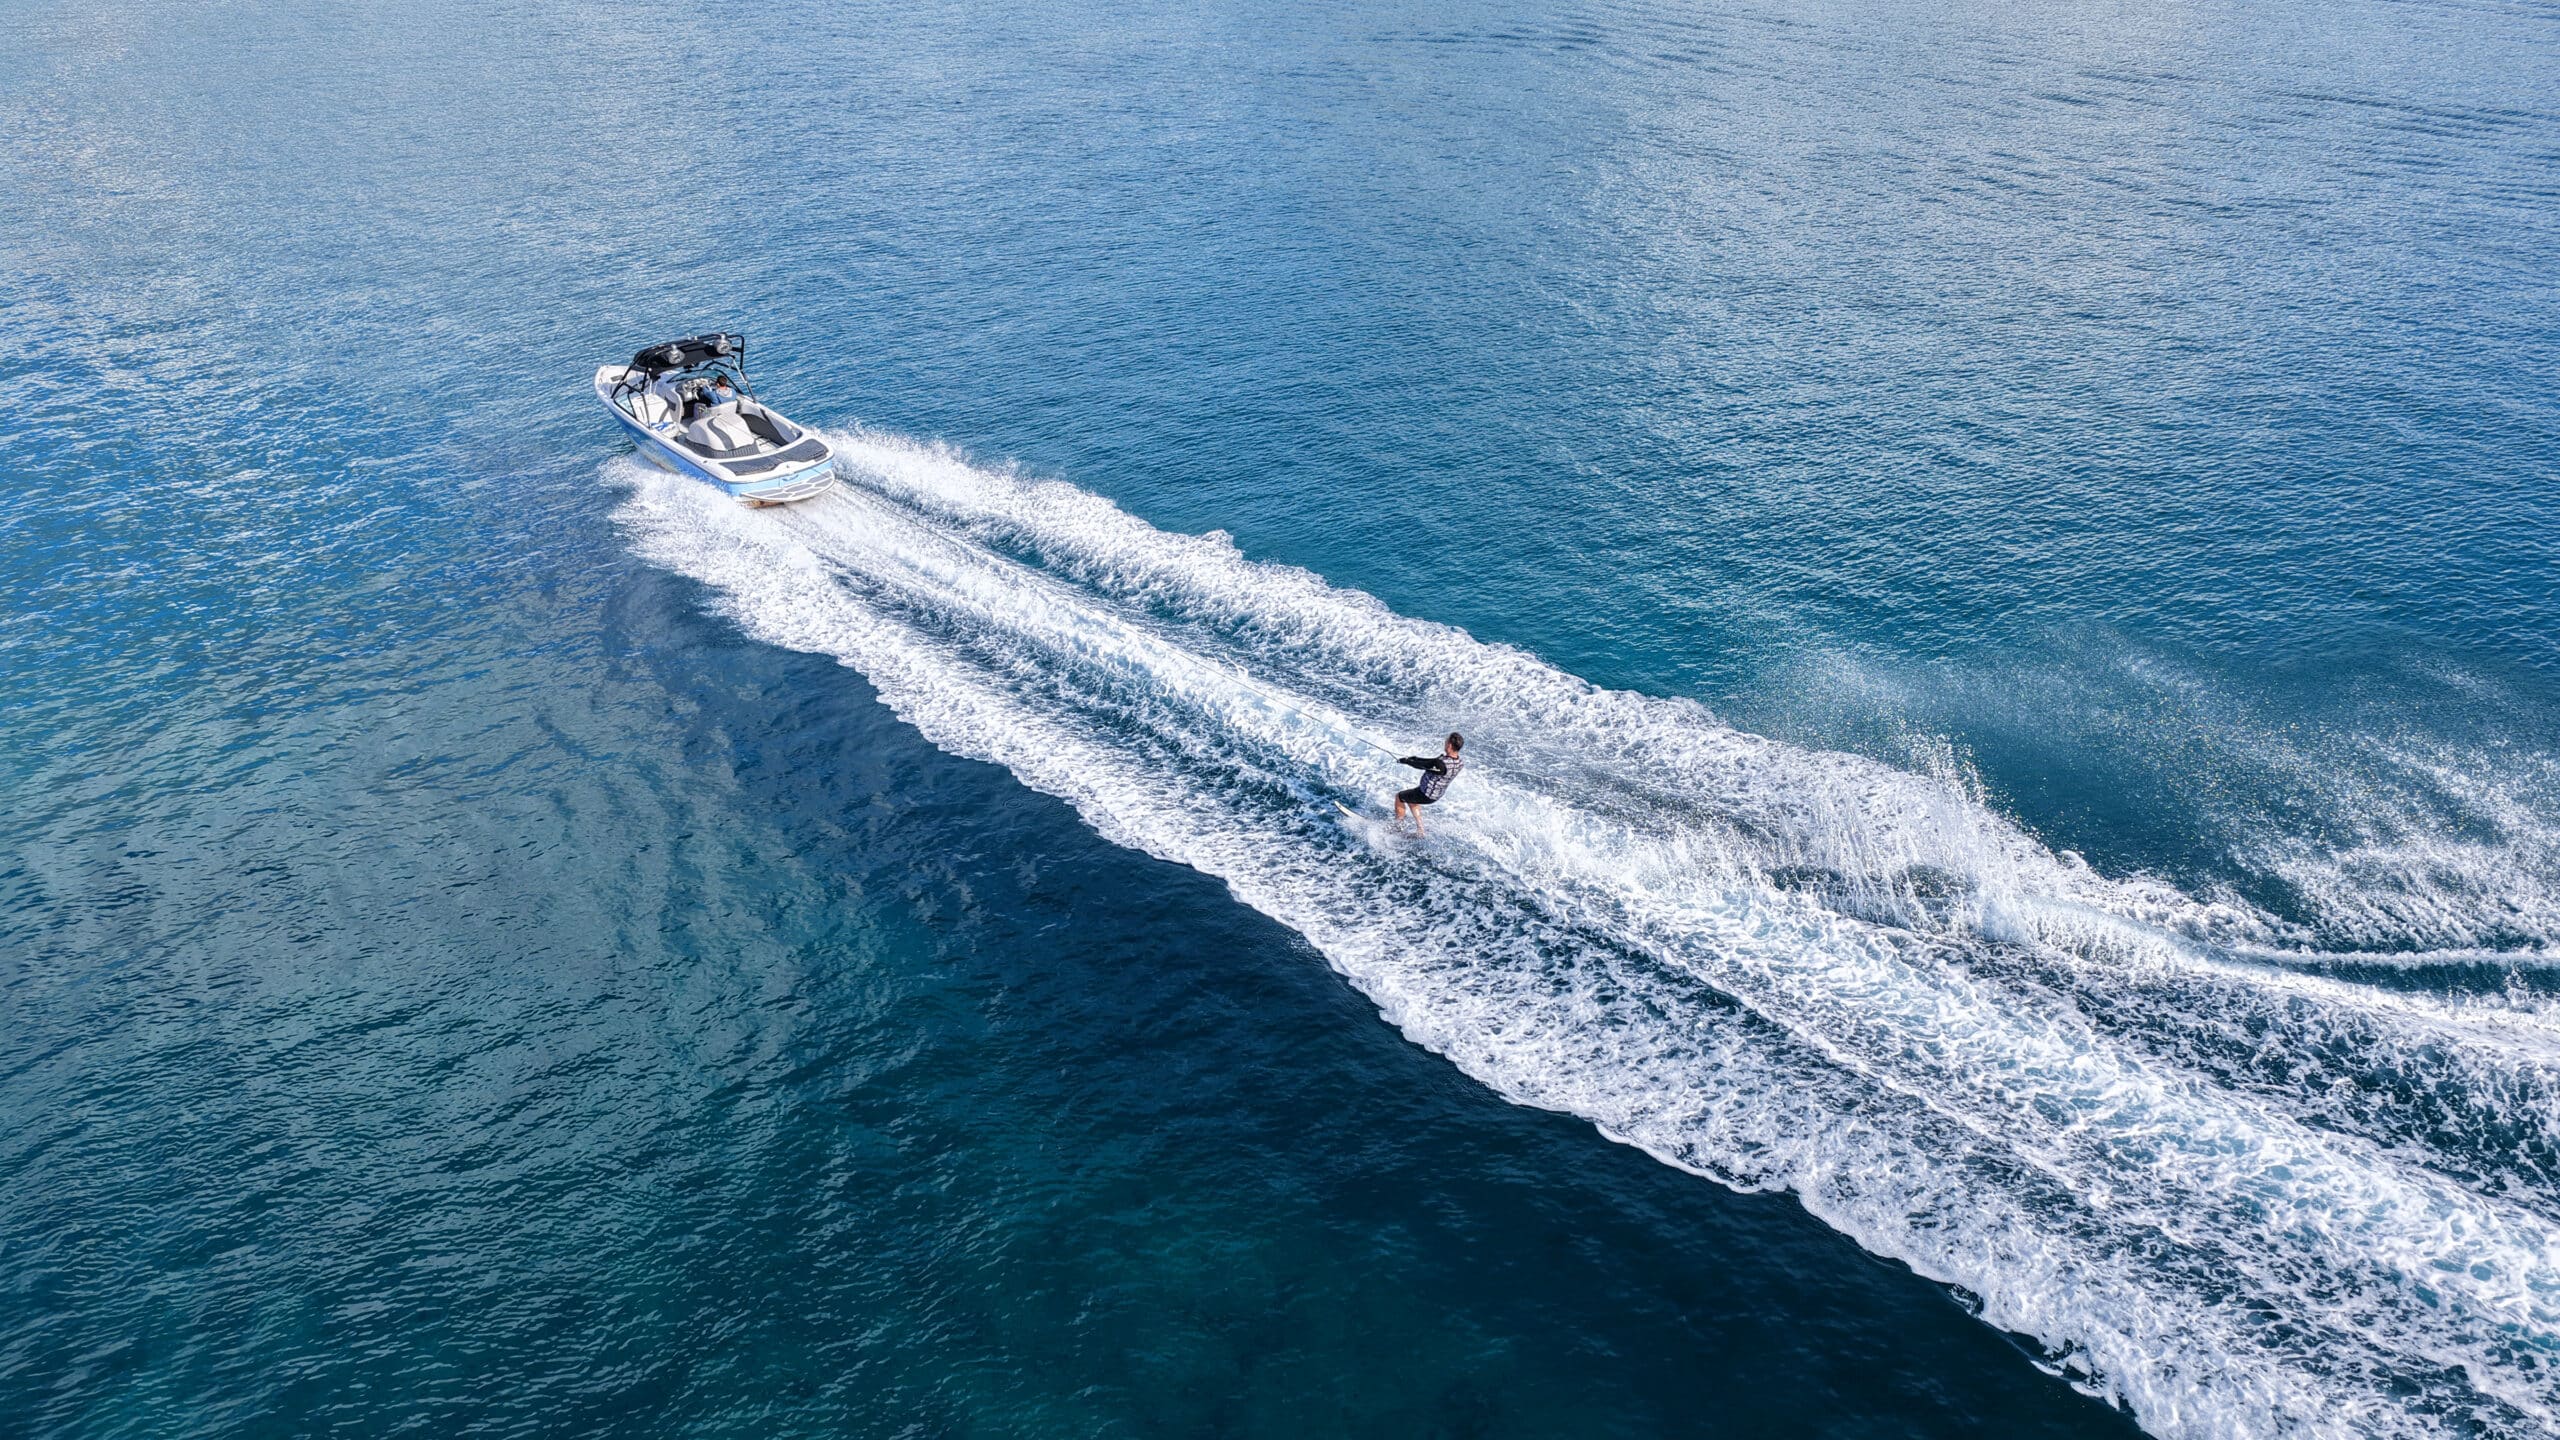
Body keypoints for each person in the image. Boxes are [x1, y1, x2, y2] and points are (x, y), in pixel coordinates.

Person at [1391, 733, 1465, 835]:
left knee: (1400, 797)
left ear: (1449, 745)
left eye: (1446, 741)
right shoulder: (1460, 762)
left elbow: (1423, 766)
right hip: (1437, 794)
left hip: (1426, 794)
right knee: (1411, 799)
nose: (1444, 742)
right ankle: (1420, 829)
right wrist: (1415, 758)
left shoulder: (1441, 764)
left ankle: (1397, 827)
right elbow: (1431, 762)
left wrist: (1407, 761)